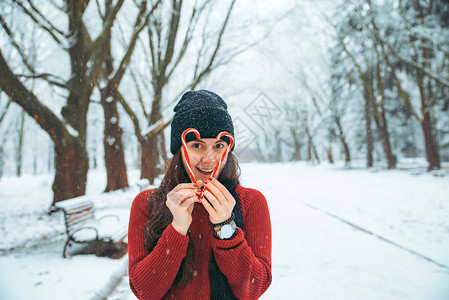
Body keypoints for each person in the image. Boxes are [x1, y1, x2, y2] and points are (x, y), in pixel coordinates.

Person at [128, 90, 272, 299]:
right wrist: (177, 227)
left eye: (219, 145)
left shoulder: (250, 202)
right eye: (197, 145)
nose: (209, 158)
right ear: (179, 149)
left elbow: (254, 288)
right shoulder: (147, 203)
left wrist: (225, 227)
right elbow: (144, 291)